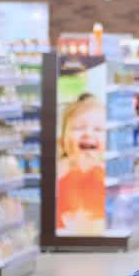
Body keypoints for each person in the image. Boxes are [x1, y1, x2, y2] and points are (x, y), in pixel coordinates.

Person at [56, 93, 106, 234]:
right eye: (78, 128)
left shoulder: (107, 174)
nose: (88, 133)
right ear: (62, 140)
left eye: (98, 129)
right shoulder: (59, 171)